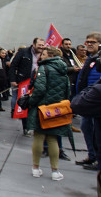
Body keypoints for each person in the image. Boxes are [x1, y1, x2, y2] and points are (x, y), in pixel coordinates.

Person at [27, 46, 72, 181]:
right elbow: (67, 90)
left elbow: (39, 89)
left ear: (50, 56)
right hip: (56, 109)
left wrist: (31, 101)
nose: (42, 56)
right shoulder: (63, 69)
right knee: (53, 139)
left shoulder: (43, 68)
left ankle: (35, 168)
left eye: (44, 54)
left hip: (42, 107)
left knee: (39, 137)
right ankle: (55, 171)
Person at [10, 37, 46, 135]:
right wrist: (13, 79)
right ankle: (26, 126)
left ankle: (33, 126)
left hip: (37, 83)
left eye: (43, 45)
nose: (41, 47)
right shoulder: (23, 52)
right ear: (34, 44)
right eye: (39, 45)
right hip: (23, 83)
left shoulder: (44, 54)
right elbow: (13, 65)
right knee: (25, 104)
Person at [76, 32, 101, 170]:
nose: (89, 44)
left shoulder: (98, 59)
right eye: (88, 42)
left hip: (95, 102)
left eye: (93, 42)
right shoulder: (91, 59)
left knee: (95, 131)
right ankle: (92, 156)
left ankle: (97, 158)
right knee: (87, 128)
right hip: (87, 100)